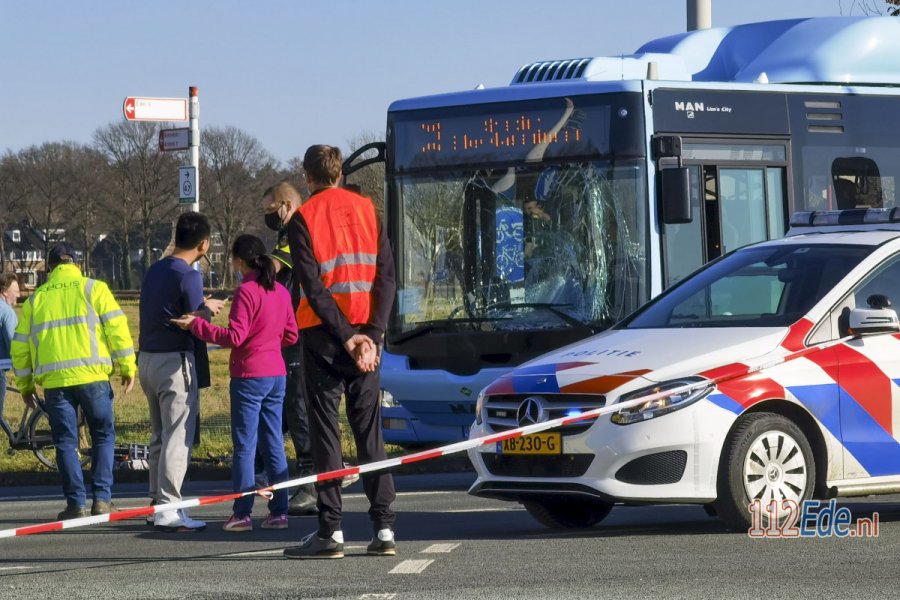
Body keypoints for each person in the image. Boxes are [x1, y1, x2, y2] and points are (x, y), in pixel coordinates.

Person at [283, 145, 397, 560]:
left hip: (324, 338)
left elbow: (313, 288)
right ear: (339, 173)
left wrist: (348, 337)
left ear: (307, 176)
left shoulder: (303, 218)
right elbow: (386, 277)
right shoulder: (369, 210)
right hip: (368, 339)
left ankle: (331, 531)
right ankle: (384, 527)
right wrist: (373, 337)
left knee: (326, 432)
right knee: (371, 434)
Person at [172, 234, 298, 531]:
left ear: (239, 261)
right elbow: (291, 335)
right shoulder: (279, 291)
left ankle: (242, 513)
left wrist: (198, 326)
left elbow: (235, 336)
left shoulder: (246, 291)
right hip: (276, 374)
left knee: (245, 445)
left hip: (249, 375)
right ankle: (280, 510)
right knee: (274, 443)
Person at [11, 244, 136, 519]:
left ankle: (75, 504)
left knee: (65, 442)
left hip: (55, 384)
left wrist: (25, 386)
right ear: (76, 264)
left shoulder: (36, 300)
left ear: (51, 267)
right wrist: (128, 367)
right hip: (93, 379)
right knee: (103, 435)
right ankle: (102, 500)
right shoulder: (95, 289)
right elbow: (118, 328)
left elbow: (19, 348)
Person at [139, 212, 224, 532]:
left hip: (147, 360)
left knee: (159, 434)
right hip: (175, 362)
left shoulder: (155, 269)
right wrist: (209, 309)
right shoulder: (189, 275)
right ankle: (169, 506)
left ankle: (156, 503)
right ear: (204, 244)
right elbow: (196, 324)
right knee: (178, 436)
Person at [261, 181, 318, 515]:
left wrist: (249, 265)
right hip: (295, 331)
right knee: (292, 405)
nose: (269, 218)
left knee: (298, 406)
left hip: (301, 333)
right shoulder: (295, 232)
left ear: (285, 204)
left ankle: (310, 481)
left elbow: (273, 268)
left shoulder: (298, 231)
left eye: (270, 211)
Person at [0, 274, 19, 419]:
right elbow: (14, 343)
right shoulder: (6, 311)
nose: (18, 294)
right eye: (16, 290)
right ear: (4, 292)